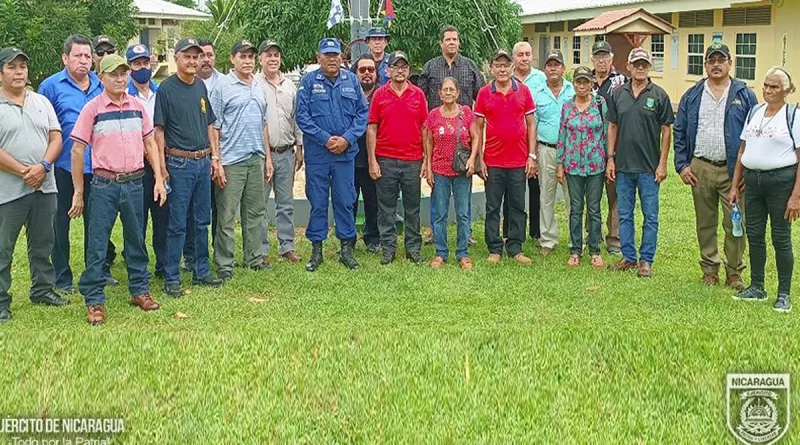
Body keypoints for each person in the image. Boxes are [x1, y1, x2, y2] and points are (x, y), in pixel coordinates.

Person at [68, 54, 167, 325]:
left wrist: (158, 178)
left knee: (136, 239)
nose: (121, 78)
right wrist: (79, 190)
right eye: (114, 74)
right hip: (104, 184)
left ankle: (140, 291)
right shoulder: (93, 109)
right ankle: (95, 300)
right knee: (98, 244)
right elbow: (77, 150)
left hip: (135, 182)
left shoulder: (137, 106)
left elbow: (150, 145)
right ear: (101, 78)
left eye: (124, 73)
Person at [673, 43, 757, 290]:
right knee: (705, 222)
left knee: (735, 223)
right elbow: (679, 130)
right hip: (700, 168)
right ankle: (710, 269)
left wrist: (746, 170)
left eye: (721, 60)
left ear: (730, 63)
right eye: (712, 60)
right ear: (706, 65)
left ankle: (734, 272)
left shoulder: (744, 94)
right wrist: (682, 165)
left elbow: (755, 132)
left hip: (734, 172)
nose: (716, 64)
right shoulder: (693, 94)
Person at [38, 34, 118, 294]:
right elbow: (44, 129)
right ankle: (62, 277)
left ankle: (97, 272)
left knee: (97, 223)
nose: (84, 61)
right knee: (60, 223)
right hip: (62, 167)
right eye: (78, 56)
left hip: (97, 168)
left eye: (87, 56)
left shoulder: (101, 84)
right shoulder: (50, 87)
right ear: (65, 58)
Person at [0, 47, 69, 323]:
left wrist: (43, 167)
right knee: (3, 248)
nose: (19, 72)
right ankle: (1, 302)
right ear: (0, 73)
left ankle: (42, 289)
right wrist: (23, 171)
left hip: (44, 185)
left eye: (22, 67)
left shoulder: (41, 101)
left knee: (43, 242)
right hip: (8, 191)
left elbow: (56, 137)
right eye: (11, 67)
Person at [154, 38, 223, 296]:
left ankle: (201, 270)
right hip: (179, 163)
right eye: (188, 57)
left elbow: (209, 125)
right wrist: (161, 167)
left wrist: (215, 158)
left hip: (202, 162)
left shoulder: (201, 87)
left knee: (201, 220)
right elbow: (158, 131)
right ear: (176, 58)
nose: (193, 61)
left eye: (197, 57)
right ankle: (172, 277)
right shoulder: (166, 89)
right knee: (177, 223)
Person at [729, 67, 800, 312]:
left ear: (787, 90)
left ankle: (783, 294)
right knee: (755, 235)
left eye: (775, 87)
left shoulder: (793, 115)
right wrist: (734, 185)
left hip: (781, 183)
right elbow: (742, 150)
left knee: (780, 238)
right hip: (753, 182)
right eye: (766, 86)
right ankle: (757, 286)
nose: (769, 91)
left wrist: (796, 196)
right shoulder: (755, 111)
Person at [296, 38, 369, 272]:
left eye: (335, 55)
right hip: (319, 154)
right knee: (317, 202)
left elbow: (362, 114)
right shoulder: (308, 82)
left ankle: (346, 249)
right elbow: (302, 116)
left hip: (344, 154)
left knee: (345, 201)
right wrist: (325, 139)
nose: (332, 59)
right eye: (327, 55)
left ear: (341, 57)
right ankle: (316, 250)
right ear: (319, 57)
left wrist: (347, 138)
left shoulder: (351, 81)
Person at [606, 48, 674, 278]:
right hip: (623, 166)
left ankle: (646, 260)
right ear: (629, 66)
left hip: (648, 168)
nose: (641, 68)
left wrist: (663, 163)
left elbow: (666, 131)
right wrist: (610, 159)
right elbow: (612, 126)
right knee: (624, 214)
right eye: (637, 64)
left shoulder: (660, 95)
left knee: (650, 216)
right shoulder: (618, 93)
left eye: (645, 64)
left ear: (650, 66)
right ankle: (628, 257)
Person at [209, 40, 273, 281]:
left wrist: (267, 158)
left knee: (255, 211)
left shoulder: (257, 86)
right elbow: (213, 127)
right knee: (226, 215)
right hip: (231, 160)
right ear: (232, 59)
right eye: (242, 57)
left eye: (250, 57)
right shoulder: (222, 87)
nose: (247, 61)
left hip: (255, 157)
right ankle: (225, 263)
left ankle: (254, 257)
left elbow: (263, 124)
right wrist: (216, 159)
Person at [419, 25, 484, 245]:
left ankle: (467, 234)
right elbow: (420, 98)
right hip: (438, 138)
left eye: (455, 39)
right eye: (447, 39)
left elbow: (481, 98)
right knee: (438, 188)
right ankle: (435, 233)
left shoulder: (470, 67)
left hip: (464, 139)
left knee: (463, 191)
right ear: (441, 43)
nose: (451, 43)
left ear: (459, 42)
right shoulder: (430, 67)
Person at [475, 49, 537, 264]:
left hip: (519, 160)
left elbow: (530, 124)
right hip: (493, 161)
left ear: (512, 67)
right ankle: (494, 248)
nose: (502, 69)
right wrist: (480, 159)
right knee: (493, 206)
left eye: (506, 65)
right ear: (491, 68)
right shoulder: (484, 93)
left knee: (517, 205)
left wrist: (532, 156)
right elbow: (478, 128)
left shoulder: (524, 91)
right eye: (497, 65)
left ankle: (515, 247)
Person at [367, 51, 428, 265]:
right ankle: (388, 248)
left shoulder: (418, 94)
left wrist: (426, 160)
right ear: (388, 70)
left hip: (412, 160)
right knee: (386, 208)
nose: (400, 70)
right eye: (396, 66)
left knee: (413, 207)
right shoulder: (380, 95)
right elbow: (372, 128)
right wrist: (372, 160)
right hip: (386, 159)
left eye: (404, 67)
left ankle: (413, 248)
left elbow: (424, 128)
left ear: (408, 70)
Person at [255, 39, 303, 265]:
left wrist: (299, 147)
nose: (273, 59)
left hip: (286, 152)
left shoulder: (289, 85)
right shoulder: (254, 84)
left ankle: (287, 247)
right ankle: (261, 250)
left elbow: (296, 119)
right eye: (268, 55)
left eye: (276, 55)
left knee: (286, 203)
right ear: (260, 59)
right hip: (263, 154)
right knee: (261, 205)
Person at [424, 77, 479, 270]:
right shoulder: (433, 115)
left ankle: (463, 253)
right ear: (439, 93)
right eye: (444, 90)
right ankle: (440, 253)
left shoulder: (466, 113)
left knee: (463, 214)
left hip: (462, 171)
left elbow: (475, 137)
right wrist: (428, 166)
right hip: (440, 171)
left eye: (451, 89)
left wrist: (472, 159)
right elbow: (429, 142)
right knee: (440, 214)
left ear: (457, 93)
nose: (448, 93)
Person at [557, 66, 607, 269]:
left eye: (586, 82)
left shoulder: (600, 104)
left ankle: (595, 250)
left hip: (596, 165)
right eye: (579, 82)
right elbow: (562, 136)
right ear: (574, 83)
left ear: (592, 84)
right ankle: (575, 250)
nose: (582, 86)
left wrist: (610, 159)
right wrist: (560, 164)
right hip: (573, 165)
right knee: (575, 209)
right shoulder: (567, 107)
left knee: (594, 209)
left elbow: (606, 133)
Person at [126, 43, 169, 279]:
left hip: (160, 164)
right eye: (136, 64)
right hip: (136, 166)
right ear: (129, 66)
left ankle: (163, 265)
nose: (142, 67)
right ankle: (137, 268)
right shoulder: (125, 94)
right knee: (137, 220)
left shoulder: (160, 91)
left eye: (145, 63)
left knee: (162, 217)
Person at [181, 38, 222, 272]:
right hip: (183, 160)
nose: (200, 60)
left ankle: (205, 262)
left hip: (209, 158)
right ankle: (186, 260)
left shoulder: (209, 85)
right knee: (185, 216)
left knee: (206, 214)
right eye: (195, 56)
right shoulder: (172, 87)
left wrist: (215, 158)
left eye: (205, 56)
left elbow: (211, 123)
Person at [502, 41, 546, 242]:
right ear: (513, 58)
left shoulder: (541, 79)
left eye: (528, 54)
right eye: (520, 54)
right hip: (512, 144)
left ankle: (536, 232)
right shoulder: (505, 79)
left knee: (535, 188)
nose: (525, 58)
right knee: (511, 191)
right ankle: (509, 232)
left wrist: (534, 152)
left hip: (536, 141)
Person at [533, 50, 575, 255]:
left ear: (563, 68)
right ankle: (548, 239)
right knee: (546, 195)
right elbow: (532, 126)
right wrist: (532, 155)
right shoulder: (538, 93)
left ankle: (576, 240)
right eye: (549, 65)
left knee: (573, 196)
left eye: (556, 64)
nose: (553, 68)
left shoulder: (574, 90)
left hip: (572, 151)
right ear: (544, 70)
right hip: (546, 150)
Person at [591, 40, 629, 255]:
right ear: (593, 59)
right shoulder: (586, 80)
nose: (601, 60)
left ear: (612, 58)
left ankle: (615, 238)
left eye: (605, 55)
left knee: (616, 194)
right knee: (592, 193)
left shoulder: (622, 80)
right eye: (598, 56)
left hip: (616, 147)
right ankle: (591, 234)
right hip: (590, 149)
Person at [352, 54, 381, 253]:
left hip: (375, 158)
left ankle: (373, 238)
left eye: (371, 70)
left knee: (373, 202)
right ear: (355, 74)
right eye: (362, 70)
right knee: (349, 202)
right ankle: (348, 239)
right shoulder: (348, 93)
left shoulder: (382, 95)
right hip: (350, 157)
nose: (367, 74)